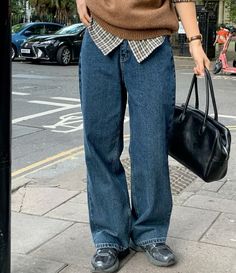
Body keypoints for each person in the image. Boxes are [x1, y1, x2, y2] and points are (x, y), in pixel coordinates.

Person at [76, 0, 210, 272]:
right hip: (100, 35)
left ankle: (151, 232)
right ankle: (109, 236)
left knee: (151, 145)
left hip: (151, 41)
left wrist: (195, 40)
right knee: (100, 145)